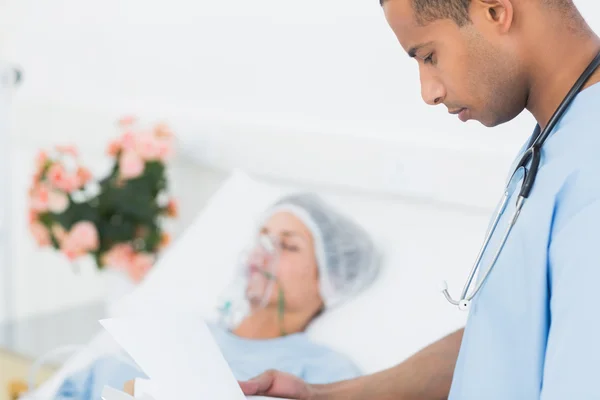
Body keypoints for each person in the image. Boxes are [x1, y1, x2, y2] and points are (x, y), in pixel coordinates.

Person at [239, 1, 600, 399]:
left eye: (429, 56)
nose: (429, 92)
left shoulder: (590, 170)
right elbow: (506, 338)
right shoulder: (556, 142)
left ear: (496, 10)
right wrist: (324, 395)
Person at [53, 192, 380, 400]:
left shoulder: (323, 372)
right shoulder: (179, 331)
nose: (263, 252)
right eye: (262, 237)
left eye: (288, 245)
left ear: (328, 279)